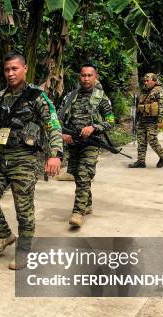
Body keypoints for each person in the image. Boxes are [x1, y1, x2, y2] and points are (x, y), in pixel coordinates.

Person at [0, 52, 63, 270]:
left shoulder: (37, 97)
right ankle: (4, 235)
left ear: (25, 69)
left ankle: (24, 250)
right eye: (7, 70)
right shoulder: (1, 96)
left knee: (23, 208)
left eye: (14, 69)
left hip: (23, 159)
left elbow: (53, 125)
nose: (10, 73)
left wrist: (55, 154)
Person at [57, 64, 115, 228]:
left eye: (90, 75)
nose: (86, 78)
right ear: (79, 77)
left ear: (95, 77)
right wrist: (63, 134)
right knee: (78, 176)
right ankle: (87, 204)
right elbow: (58, 119)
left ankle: (77, 213)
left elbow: (110, 121)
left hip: (90, 144)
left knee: (83, 176)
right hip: (73, 143)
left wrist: (94, 128)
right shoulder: (70, 96)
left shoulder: (101, 98)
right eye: (83, 75)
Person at [128, 73, 163, 169]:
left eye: (147, 81)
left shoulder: (159, 91)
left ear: (154, 81)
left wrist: (160, 120)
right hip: (142, 119)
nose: (145, 83)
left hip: (152, 120)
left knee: (152, 140)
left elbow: (162, 107)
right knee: (141, 140)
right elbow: (139, 104)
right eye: (145, 81)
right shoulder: (144, 91)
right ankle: (141, 161)